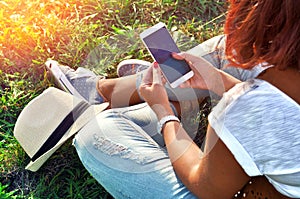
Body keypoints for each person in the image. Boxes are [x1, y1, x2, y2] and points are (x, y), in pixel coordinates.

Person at [49, 0, 299, 198]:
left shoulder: (249, 107)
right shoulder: (260, 102)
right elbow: (281, 113)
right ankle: (118, 92)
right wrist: (221, 82)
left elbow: (205, 185)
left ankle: (162, 105)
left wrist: (165, 115)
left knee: (94, 135)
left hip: (230, 186)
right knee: (228, 52)